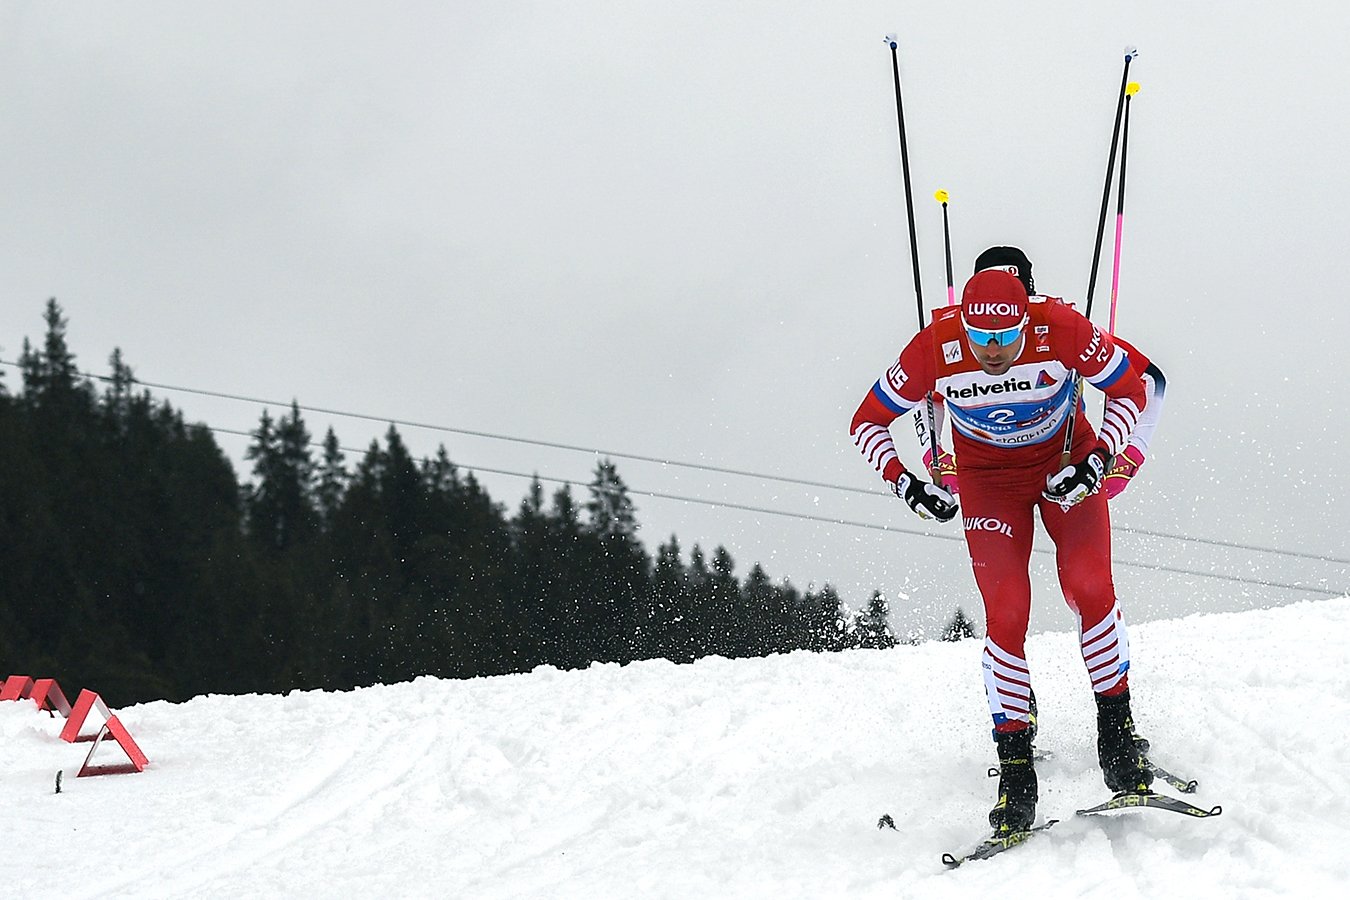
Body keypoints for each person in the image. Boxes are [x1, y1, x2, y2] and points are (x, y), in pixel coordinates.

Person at [849, 248, 1158, 836]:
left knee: (1090, 586)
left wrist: (1100, 459)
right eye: (979, 338)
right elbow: (866, 421)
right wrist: (905, 482)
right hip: (989, 486)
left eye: (1006, 338)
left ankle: (1116, 733)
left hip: (1065, 462)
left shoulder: (1062, 328)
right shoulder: (934, 347)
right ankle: (1016, 766)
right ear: (962, 322)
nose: (991, 353)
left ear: (1027, 319)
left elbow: (1136, 389)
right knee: (1006, 612)